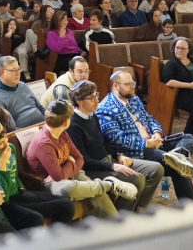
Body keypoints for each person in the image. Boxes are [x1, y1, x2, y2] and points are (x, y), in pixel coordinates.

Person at [96, 70, 193, 200]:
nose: (133, 86)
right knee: (178, 168)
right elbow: (118, 139)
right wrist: (146, 143)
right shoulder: (105, 109)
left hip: (153, 140)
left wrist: (157, 133)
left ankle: (178, 155)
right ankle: (189, 202)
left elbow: (148, 118)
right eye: (128, 84)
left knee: (189, 138)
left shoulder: (133, 99)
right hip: (137, 150)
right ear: (116, 86)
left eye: (133, 83)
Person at [26, 100, 136, 219]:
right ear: (66, 122)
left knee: (94, 191)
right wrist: (70, 161)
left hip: (69, 174)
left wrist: (67, 166)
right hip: (48, 184)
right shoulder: (44, 144)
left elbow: (80, 159)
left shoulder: (63, 134)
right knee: (70, 188)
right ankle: (109, 185)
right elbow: (58, 177)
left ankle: (116, 224)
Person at [67, 80, 164, 211]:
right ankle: (120, 217)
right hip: (93, 169)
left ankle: (135, 208)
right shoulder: (73, 125)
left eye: (96, 95)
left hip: (107, 160)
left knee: (156, 169)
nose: (97, 100)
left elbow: (103, 143)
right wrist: (113, 166)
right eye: (92, 98)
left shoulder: (92, 115)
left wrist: (119, 155)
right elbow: (83, 161)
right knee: (137, 179)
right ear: (79, 101)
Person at [0, 119, 74, 230]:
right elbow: (3, 197)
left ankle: (58, 238)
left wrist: (21, 186)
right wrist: (2, 165)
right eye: (0, 144)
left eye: (5, 139)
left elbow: (14, 172)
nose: (5, 145)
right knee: (35, 219)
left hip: (19, 193)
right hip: (6, 202)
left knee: (67, 205)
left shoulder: (10, 148)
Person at [0, 56, 45, 128]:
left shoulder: (22, 85)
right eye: (13, 70)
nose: (18, 73)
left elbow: (39, 107)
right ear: (2, 72)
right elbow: (4, 129)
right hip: (25, 133)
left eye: (18, 69)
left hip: (43, 127)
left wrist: (48, 123)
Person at [46, 10, 84, 75]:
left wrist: (81, 52)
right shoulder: (51, 34)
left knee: (86, 61)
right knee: (73, 63)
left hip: (75, 55)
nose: (67, 22)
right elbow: (56, 50)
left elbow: (74, 45)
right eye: (65, 20)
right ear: (59, 21)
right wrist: (61, 37)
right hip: (62, 57)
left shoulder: (69, 31)